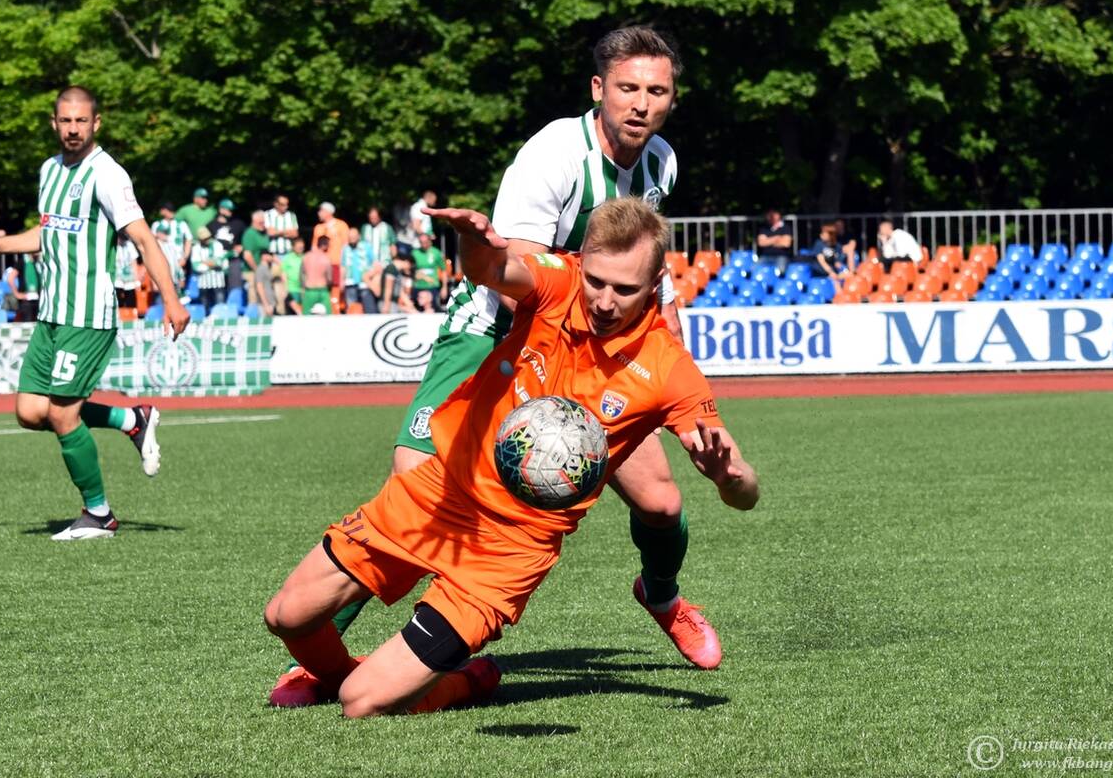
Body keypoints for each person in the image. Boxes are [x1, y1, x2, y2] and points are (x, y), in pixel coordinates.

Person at [273, 26, 715, 706]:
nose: (641, 103)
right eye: (628, 88)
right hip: (495, 334)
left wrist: (662, 331)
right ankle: (326, 656)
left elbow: (644, 262)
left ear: (672, 99)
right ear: (598, 89)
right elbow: (518, 286)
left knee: (661, 503)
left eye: (656, 91)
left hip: (588, 354)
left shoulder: (662, 163)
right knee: (413, 478)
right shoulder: (553, 156)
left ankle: (662, 597)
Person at [264, 198, 760, 715]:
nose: (605, 301)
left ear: (657, 281)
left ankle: (466, 681)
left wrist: (730, 479)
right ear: (581, 261)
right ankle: (347, 676)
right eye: (596, 281)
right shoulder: (560, 282)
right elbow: (493, 269)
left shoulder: (668, 369)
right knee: (286, 616)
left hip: (511, 547)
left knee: (361, 702)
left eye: (625, 289)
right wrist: (472, 240)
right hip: (439, 492)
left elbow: (746, 492)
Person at [0, 85, 189, 540]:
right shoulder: (50, 170)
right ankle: (132, 420)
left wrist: (171, 298)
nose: (74, 129)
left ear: (96, 123)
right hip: (52, 313)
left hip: (88, 315)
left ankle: (99, 514)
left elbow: (143, 239)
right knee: (30, 412)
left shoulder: (108, 174)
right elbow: (48, 234)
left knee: (62, 415)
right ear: (54, 123)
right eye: (66, 120)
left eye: (82, 120)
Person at [152, 202, 193, 297]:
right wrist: (157, 236)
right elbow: (151, 243)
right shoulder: (157, 225)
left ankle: (180, 299)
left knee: (180, 281)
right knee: (164, 285)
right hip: (162, 259)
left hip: (178, 258)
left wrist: (185, 257)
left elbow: (189, 240)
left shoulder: (181, 224)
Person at [207, 199, 246, 299]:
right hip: (218, 260)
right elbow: (205, 242)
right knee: (218, 285)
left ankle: (234, 303)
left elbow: (246, 239)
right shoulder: (211, 225)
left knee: (235, 284)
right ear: (221, 209)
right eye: (228, 209)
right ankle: (219, 304)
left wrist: (242, 246)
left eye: (231, 210)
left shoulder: (238, 223)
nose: (230, 212)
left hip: (233, 258)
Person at [312, 202, 349, 286]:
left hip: (336, 264)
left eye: (321, 211)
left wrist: (344, 266)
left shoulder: (341, 225)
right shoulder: (318, 228)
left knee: (336, 289)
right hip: (321, 265)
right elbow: (314, 248)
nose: (318, 213)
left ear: (328, 212)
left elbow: (346, 246)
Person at [341, 227, 377, 313]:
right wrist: (342, 281)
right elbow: (343, 266)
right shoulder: (345, 248)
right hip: (350, 283)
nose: (352, 239)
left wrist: (370, 278)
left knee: (369, 309)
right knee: (352, 310)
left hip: (364, 284)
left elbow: (375, 263)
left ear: (359, 236)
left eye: (354, 237)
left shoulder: (366, 247)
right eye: (350, 237)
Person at [190, 226, 227, 309]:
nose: (207, 240)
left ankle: (219, 312)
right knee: (204, 298)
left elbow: (220, 261)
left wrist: (205, 262)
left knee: (219, 295)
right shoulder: (196, 248)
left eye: (208, 238)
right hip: (203, 279)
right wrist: (210, 264)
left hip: (217, 278)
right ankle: (206, 313)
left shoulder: (217, 245)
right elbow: (195, 265)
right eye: (204, 239)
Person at [411, 233, 447, 311]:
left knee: (433, 310)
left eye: (425, 242)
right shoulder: (414, 253)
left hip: (432, 287)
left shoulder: (436, 253)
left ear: (429, 241)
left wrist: (444, 287)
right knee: (416, 311)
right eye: (421, 242)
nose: (423, 244)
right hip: (417, 287)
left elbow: (444, 270)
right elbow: (409, 269)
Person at [301, 234, 333, 314]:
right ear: (325, 245)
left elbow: (302, 275)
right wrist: (330, 287)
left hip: (309, 290)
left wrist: (303, 288)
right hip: (323, 290)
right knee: (328, 316)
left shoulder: (306, 256)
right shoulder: (326, 258)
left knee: (306, 316)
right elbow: (329, 278)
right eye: (329, 246)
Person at [379, 245, 415, 314]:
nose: (409, 270)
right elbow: (388, 289)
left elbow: (400, 291)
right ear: (407, 262)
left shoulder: (397, 272)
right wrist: (386, 305)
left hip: (393, 303)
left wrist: (410, 304)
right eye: (410, 266)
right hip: (388, 303)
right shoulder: (391, 269)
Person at [265, 194, 299, 258]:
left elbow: (295, 234)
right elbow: (270, 232)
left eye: (287, 204)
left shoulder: (292, 215)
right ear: (276, 204)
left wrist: (277, 232)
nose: (286, 207)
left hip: (289, 253)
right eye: (283, 204)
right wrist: (287, 231)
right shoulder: (268, 214)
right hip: (273, 254)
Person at [114, 234, 141, 310]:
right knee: (118, 300)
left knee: (131, 301)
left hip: (129, 277)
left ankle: (130, 315)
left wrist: (136, 280)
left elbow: (134, 263)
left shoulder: (129, 245)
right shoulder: (113, 245)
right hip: (117, 278)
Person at [282, 236, 305, 315]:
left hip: (303, 290)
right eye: (299, 247)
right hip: (292, 289)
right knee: (294, 313)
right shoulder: (287, 258)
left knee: (303, 312)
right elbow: (283, 273)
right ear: (293, 247)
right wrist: (285, 288)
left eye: (302, 247)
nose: (301, 248)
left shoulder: (305, 257)